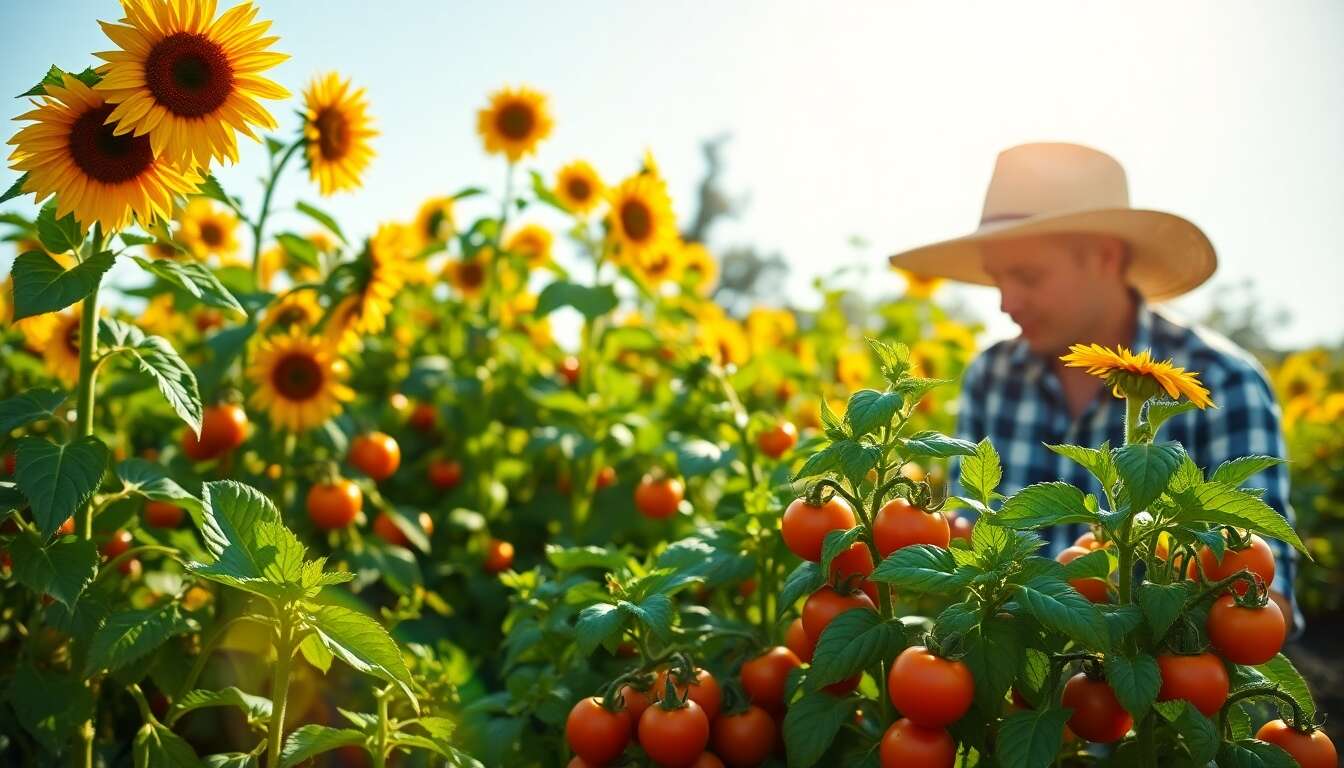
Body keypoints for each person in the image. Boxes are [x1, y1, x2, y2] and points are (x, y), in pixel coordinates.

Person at [887, 142, 1297, 624]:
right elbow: (977, 547)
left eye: (1028, 275)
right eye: (999, 279)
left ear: (1105, 256)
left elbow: (1269, 603)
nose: (1005, 303)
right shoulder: (990, 377)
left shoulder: (1224, 383)